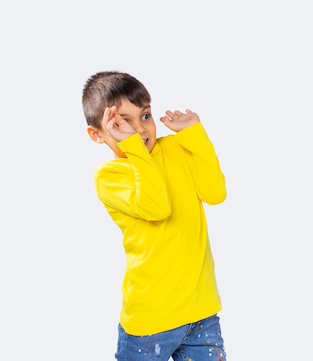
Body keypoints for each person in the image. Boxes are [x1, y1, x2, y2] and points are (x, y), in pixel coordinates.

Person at [82, 71, 228, 361]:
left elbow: (215, 193)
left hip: (201, 314)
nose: (140, 129)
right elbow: (157, 207)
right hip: (150, 323)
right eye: (122, 122)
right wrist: (136, 151)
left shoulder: (174, 149)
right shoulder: (110, 176)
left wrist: (195, 133)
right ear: (97, 133)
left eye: (145, 116)